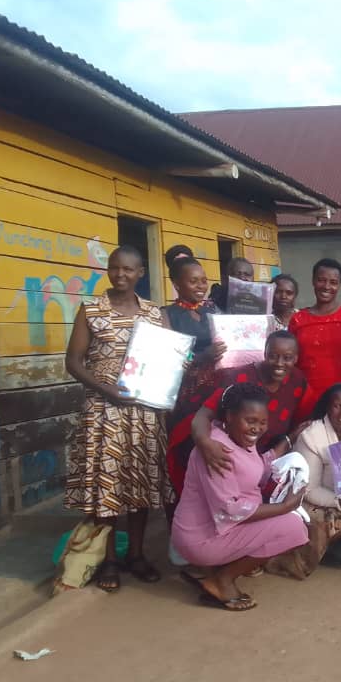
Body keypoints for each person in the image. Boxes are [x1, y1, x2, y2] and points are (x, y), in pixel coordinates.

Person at [63, 245, 168, 592]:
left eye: (128, 269)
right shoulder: (91, 309)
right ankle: (108, 559)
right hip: (103, 411)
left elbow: (171, 356)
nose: (120, 274)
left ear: (140, 273)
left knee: (140, 485)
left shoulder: (154, 313)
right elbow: (73, 362)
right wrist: (106, 389)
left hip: (144, 411)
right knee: (106, 488)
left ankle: (136, 555)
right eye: (114, 268)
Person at [172, 383, 307, 611]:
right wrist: (285, 507)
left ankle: (215, 570)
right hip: (201, 538)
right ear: (230, 417)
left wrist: (289, 441)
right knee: (293, 527)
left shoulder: (237, 438)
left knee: (288, 521)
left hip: (217, 529)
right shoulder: (217, 451)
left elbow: (257, 467)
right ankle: (222, 580)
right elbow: (230, 509)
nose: (257, 429)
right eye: (250, 421)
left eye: (263, 422)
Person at [266, 384, 341, 579]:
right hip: (309, 501)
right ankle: (280, 557)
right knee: (329, 526)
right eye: (337, 406)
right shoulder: (311, 436)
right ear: (327, 408)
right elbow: (309, 490)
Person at [188, 331, 308, 478]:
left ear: (296, 358)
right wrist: (205, 443)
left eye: (287, 358)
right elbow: (204, 414)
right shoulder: (239, 378)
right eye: (273, 356)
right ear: (265, 353)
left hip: (271, 461)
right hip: (230, 458)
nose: (279, 363)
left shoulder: (297, 381)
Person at [161, 256, 225, 501]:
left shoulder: (212, 312)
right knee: (185, 448)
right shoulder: (167, 314)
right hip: (184, 392)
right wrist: (201, 356)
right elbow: (170, 354)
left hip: (215, 389)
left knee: (214, 445)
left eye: (204, 281)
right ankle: (183, 506)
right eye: (193, 281)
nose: (201, 286)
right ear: (177, 284)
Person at [288, 258, 341, 419]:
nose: (326, 286)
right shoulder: (298, 319)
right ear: (313, 281)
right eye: (321, 280)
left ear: (339, 285)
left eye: (333, 282)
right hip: (308, 398)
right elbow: (290, 362)